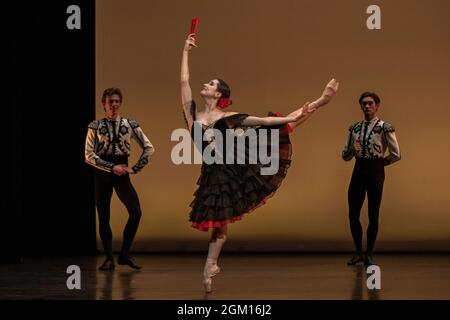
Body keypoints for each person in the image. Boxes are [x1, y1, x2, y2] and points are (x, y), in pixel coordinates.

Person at [181, 33, 339, 292]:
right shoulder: (192, 114)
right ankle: (211, 266)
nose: (206, 84)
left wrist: (313, 105)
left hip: (233, 164)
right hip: (212, 172)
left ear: (219, 93)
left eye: (211, 84)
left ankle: (320, 102)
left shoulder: (230, 117)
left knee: (278, 129)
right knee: (219, 224)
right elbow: (184, 81)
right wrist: (186, 50)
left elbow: (266, 122)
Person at [85, 88, 155, 271]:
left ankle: (124, 254)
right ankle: (109, 258)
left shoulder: (130, 124)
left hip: (122, 172)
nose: (114, 105)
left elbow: (149, 148)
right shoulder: (95, 126)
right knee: (103, 216)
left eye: (117, 101)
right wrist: (110, 167)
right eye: (110, 102)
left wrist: (135, 168)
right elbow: (88, 155)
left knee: (136, 212)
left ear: (120, 102)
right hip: (102, 174)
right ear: (104, 104)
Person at [342, 92, 400, 267]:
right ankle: (358, 252)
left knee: (373, 214)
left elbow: (396, 154)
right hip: (358, 169)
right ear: (360, 106)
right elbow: (345, 156)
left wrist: (380, 164)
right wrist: (352, 149)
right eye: (364, 104)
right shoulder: (354, 128)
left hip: (375, 170)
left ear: (377, 106)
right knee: (353, 214)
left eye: (370, 103)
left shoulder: (385, 127)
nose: (367, 106)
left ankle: (369, 254)